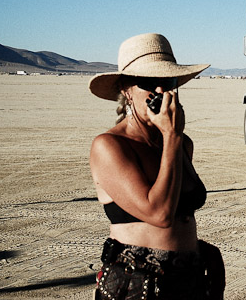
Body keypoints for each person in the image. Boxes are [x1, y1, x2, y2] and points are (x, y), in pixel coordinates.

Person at [88, 33, 225, 299]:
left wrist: (199, 249)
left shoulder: (181, 145)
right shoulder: (110, 146)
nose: (160, 91)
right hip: (138, 284)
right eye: (150, 83)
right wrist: (172, 135)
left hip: (189, 278)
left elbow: (178, 213)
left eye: (168, 81)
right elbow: (160, 214)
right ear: (126, 90)